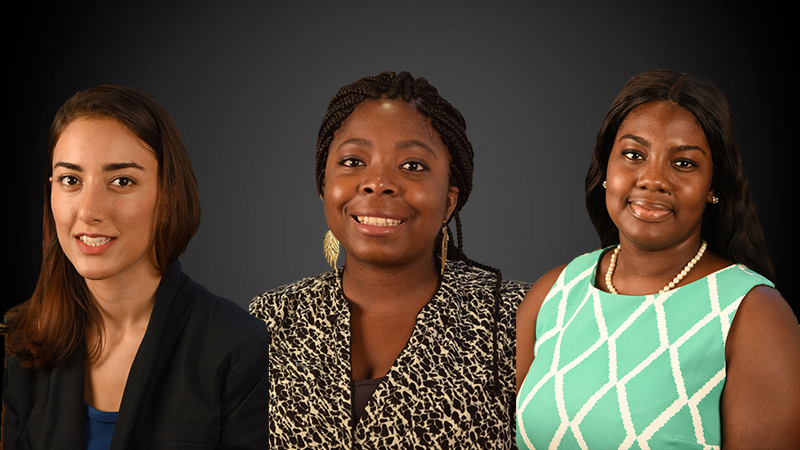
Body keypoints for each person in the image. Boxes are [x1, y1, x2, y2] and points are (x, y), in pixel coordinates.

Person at [516, 70, 800, 449]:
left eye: (683, 163)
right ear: (606, 169)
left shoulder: (753, 314)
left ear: (714, 185)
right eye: (633, 155)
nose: (653, 179)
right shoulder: (556, 290)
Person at [250, 71, 529, 448]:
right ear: (323, 186)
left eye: (412, 165)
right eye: (353, 161)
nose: (378, 182)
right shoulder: (269, 320)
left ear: (448, 201)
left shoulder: (518, 318)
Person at [2, 85, 270, 449]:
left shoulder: (238, 350)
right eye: (71, 180)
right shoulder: (27, 339)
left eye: (122, 181)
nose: (89, 211)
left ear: (168, 195)